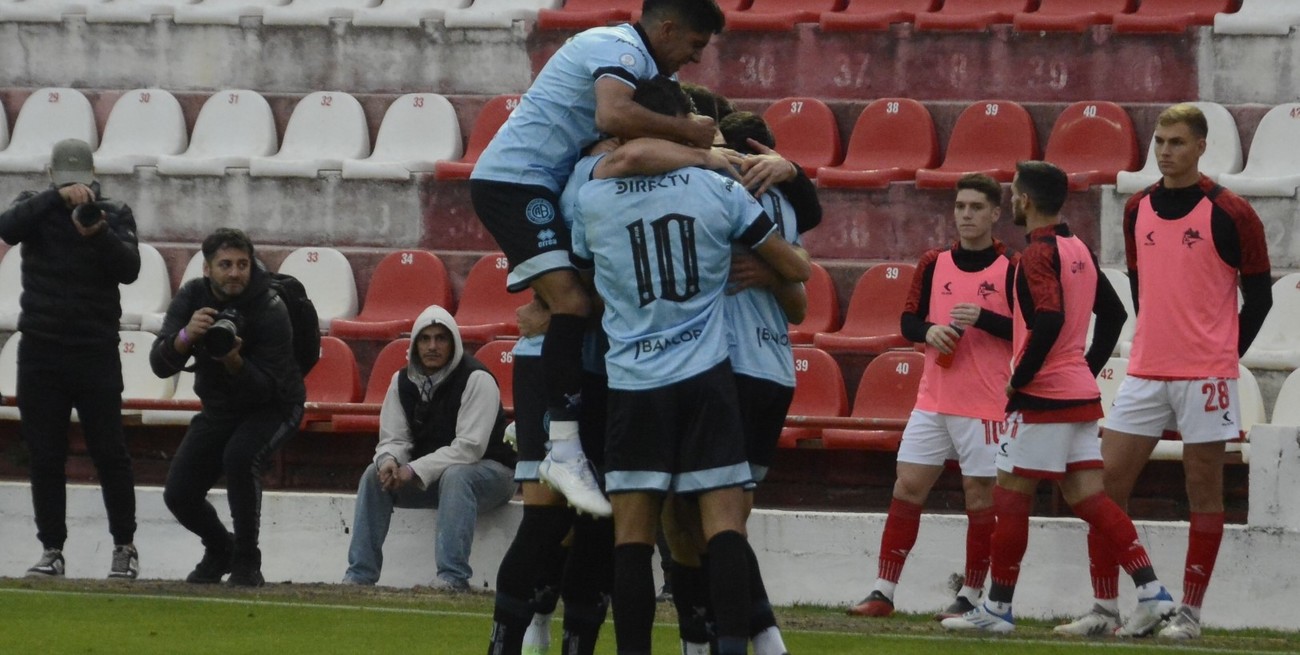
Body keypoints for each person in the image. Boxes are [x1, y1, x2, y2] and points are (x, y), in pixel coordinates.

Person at [571, 77, 810, 655]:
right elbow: (794, 268)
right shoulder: (718, 189)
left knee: (633, 537)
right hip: (705, 379)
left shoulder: (592, 196)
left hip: (632, 382)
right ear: (677, 123)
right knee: (723, 525)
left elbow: (583, 276)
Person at [469, 0, 725, 517]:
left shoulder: (633, 60)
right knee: (572, 304)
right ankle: (560, 446)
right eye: (695, 45)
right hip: (516, 183)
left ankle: (545, 427)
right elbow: (612, 114)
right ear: (669, 28)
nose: (695, 59)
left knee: (573, 301)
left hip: (537, 182)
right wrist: (695, 139)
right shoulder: (619, 48)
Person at [487, 130, 736, 655]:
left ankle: (575, 644)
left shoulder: (664, 183)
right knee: (546, 518)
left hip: (616, 373)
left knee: (603, 524)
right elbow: (576, 286)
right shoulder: (589, 176)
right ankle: (509, 641)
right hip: (553, 366)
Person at [1056, 104, 1273, 640]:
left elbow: (1262, 299)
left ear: (1202, 146)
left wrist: (1225, 353)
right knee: (1103, 486)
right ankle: (1108, 609)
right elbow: (1140, 284)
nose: (1165, 151)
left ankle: (1191, 615)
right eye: (1159, 141)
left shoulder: (1233, 212)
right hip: (1147, 370)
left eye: (1177, 142)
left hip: (1207, 376)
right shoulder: (1136, 209)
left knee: (1204, 492)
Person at [941, 161, 1176, 636]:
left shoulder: (1036, 255)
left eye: (1013, 193)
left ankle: (998, 608)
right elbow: (1112, 315)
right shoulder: (1078, 249)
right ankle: (1152, 592)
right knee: (1090, 498)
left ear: (1025, 200)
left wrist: (1020, 379)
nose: (1011, 200)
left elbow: (1046, 321)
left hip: (1043, 396)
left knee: (1010, 495)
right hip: (1078, 394)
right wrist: (1082, 369)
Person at [661, 110, 811, 655]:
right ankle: (713, 641)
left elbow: (799, 288)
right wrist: (781, 271)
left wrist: (777, 271)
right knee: (694, 518)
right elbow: (800, 298)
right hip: (767, 371)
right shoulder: (785, 206)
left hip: (729, 367)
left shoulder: (713, 192)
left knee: (710, 520)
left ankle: (748, 639)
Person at [848, 173, 1016, 620]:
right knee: (907, 486)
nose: (966, 215)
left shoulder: (1011, 268)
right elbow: (908, 321)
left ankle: (972, 595)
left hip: (985, 404)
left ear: (996, 214)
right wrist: (930, 331)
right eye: (960, 207)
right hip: (933, 399)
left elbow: (1027, 330)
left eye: (976, 207)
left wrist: (984, 319)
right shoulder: (933, 261)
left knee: (980, 497)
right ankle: (883, 591)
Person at [0, 138, 141, 580]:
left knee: (109, 452)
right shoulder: (35, 207)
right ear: (51, 177)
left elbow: (130, 268)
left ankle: (124, 545)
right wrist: (52, 199)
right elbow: (7, 227)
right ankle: (51, 547)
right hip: (41, 348)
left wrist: (96, 231)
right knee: (44, 453)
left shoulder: (113, 212)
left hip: (94, 348)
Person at [149, 228, 305, 587]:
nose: (234, 273)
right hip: (220, 406)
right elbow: (159, 365)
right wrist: (186, 336)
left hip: (277, 405)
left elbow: (267, 390)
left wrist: (234, 360)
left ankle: (248, 561)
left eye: (242, 264)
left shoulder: (269, 307)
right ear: (207, 269)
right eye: (225, 265)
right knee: (179, 493)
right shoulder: (191, 296)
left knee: (240, 456)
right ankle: (221, 548)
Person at [343, 306, 517, 590]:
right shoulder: (401, 382)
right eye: (425, 339)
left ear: (454, 343)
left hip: (493, 476)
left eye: (440, 338)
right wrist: (389, 460)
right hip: (433, 478)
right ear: (414, 344)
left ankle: (452, 577)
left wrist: (412, 469)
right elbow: (394, 439)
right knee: (373, 476)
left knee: (458, 475)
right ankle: (359, 575)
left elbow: (469, 449)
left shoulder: (477, 379)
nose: (432, 346)